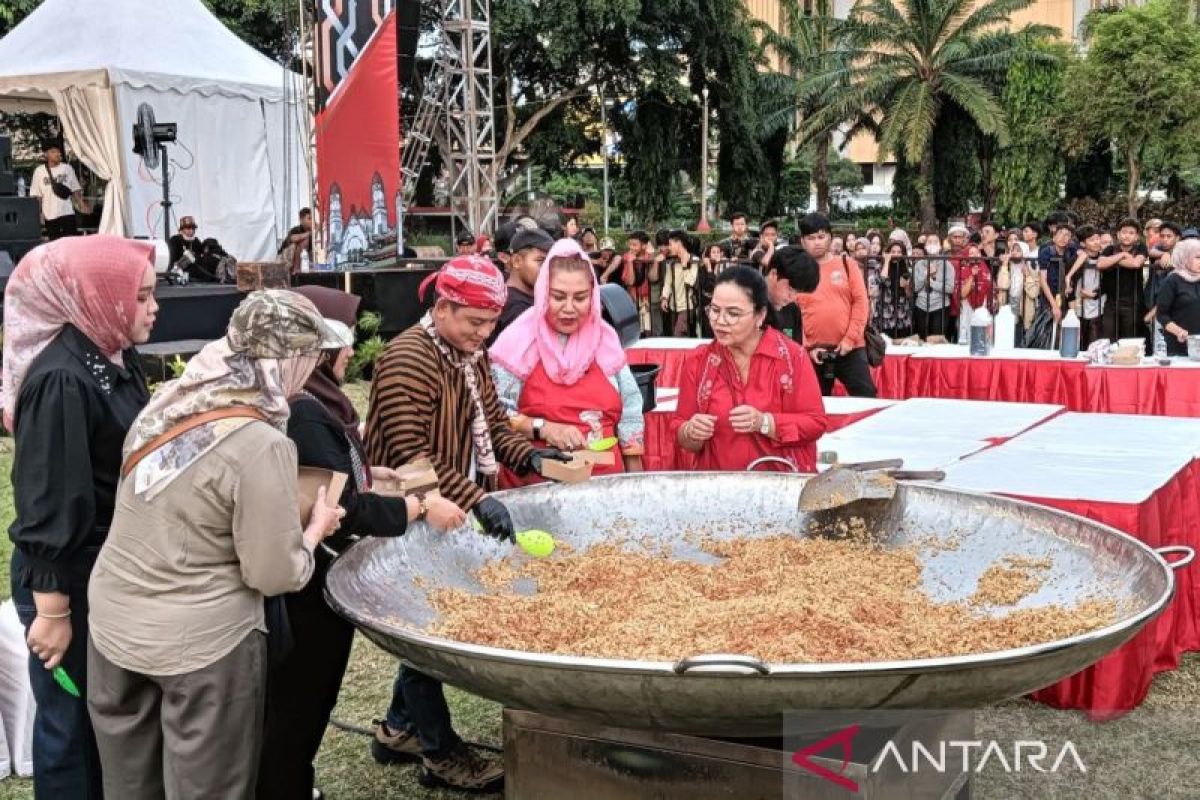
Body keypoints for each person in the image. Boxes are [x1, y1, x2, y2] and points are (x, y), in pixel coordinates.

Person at [86, 291, 347, 800]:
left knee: (129, 787)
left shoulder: (166, 404)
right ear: (288, 359)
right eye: (311, 357)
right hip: (202, 646)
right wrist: (315, 527)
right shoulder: (262, 442)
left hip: (114, 626)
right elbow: (273, 574)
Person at [365, 256, 567, 792]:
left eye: (490, 324)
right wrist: (477, 498)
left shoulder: (467, 353)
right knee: (430, 625)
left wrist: (536, 461)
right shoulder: (409, 358)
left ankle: (398, 728)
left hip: (447, 500)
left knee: (428, 619)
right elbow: (413, 453)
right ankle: (440, 753)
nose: (484, 334)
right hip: (407, 503)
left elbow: (495, 425)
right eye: (474, 322)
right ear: (443, 307)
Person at [257, 286, 467, 800]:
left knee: (305, 708)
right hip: (305, 594)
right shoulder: (305, 412)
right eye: (345, 340)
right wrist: (417, 506)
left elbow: (342, 477)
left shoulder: (321, 402)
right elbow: (343, 507)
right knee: (296, 710)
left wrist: (378, 474)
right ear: (319, 347)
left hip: (317, 580)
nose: (353, 351)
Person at [3, 236, 158, 799]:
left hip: (103, 573)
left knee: (101, 719)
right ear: (101, 297)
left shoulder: (110, 351)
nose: (153, 307)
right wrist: (53, 611)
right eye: (140, 296)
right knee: (69, 728)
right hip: (68, 585)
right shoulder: (64, 377)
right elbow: (48, 503)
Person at [491, 239, 645, 484]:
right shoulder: (518, 340)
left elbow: (631, 407)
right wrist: (544, 428)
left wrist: (635, 481)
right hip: (534, 486)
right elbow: (494, 416)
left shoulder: (605, 339)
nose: (569, 308)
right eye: (558, 297)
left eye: (581, 298)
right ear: (543, 294)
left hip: (604, 486)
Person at [672, 266, 827, 471]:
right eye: (715, 310)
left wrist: (765, 422)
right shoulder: (699, 361)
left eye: (733, 313)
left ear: (760, 315)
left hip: (779, 484)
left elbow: (815, 423)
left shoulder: (791, 358)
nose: (720, 321)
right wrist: (690, 431)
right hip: (720, 486)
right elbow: (681, 431)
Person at [796, 213, 877, 397]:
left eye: (821, 236)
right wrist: (807, 347)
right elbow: (794, 313)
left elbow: (861, 302)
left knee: (866, 397)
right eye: (810, 238)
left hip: (851, 348)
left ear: (830, 238)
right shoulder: (797, 271)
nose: (817, 242)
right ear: (802, 241)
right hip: (813, 353)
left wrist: (849, 340)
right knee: (814, 404)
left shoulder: (846, 264)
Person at [488, 226, 554, 345]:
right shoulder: (516, 309)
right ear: (517, 261)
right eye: (541, 261)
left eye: (551, 261)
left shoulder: (505, 296)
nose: (548, 268)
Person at [1097, 218, 1148, 342]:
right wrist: (1122, 255)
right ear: (1118, 234)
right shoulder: (1110, 249)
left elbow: (1136, 263)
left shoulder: (1140, 248)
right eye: (1124, 232)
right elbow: (1100, 264)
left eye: (1131, 233)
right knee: (1107, 338)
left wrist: (1114, 261)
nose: (1127, 235)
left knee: (1129, 339)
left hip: (1132, 302)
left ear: (1137, 236)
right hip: (1111, 301)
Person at [30, 142, 89, 240]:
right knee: (55, 244)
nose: (57, 154)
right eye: (53, 152)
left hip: (67, 212)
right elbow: (38, 195)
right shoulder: (39, 171)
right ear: (46, 155)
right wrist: (39, 213)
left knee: (71, 242)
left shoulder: (67, 168)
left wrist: (82, 205)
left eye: (58, 151)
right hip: (50, 215)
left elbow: (75, 189)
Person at [1155, 239, 1200, 357]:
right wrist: (1179, 331)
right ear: (1185, 257)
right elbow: (1161, 315)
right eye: (1197, 257)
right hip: (1179, 345)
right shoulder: (1172, 281)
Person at [766, 247, 820, 345]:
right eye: (790, 289)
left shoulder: (792, 310)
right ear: (773, 274)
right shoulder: (748, 307)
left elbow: (795, 351)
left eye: (797, 292)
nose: (792, 297)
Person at [1064, 226, 1105, 347]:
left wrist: (1095, 294)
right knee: (1081, 341)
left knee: (1095, 339)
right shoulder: (1076, 259)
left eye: (1098, 238)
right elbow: (1070, 283)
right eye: (1092, 240)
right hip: (1080, 305)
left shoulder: (1104, 257)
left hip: (1099, 304)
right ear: (1083, 243)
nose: (1096, 242)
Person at [912, 240, 955, 340]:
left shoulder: (947, 264)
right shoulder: (919, 264)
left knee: (937, 340)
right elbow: (916, 287)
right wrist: (926, 274)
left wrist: (932, 283)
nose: (932, 245)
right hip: (921, 306)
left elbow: (950, 288)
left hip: (940, 306)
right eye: (929, 243)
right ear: (925, 247)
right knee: (922, 339)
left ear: (940, 246)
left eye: (935, 242)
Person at [661, 230, 701, 337]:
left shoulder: (694, 260)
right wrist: (665, 297)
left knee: (678, 334)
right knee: (680, 334)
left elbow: (690, 281)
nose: (669, 247)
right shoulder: (672, 261)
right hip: (673, 305)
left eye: (670, 244)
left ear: (679, 243)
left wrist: (684, 266)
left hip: (687, 305)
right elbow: (668, 281)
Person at [619, 231, 655, 335]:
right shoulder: (627, 257)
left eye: (635, 245)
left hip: (648, 299)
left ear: (644, 245)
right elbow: (630, 281)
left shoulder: (650, 256)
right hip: (634, 299)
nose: (631, 248)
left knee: (649, 330)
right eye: (630, 244)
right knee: (636, 331)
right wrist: (630, 262)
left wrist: (652, 254)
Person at [879, 241, 913, 338]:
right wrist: (886, 261)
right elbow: (883, 279)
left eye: (899, 252)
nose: (896, 254)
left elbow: (909, 295)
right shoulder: (884, 267)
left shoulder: (907, 269)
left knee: (901, 339)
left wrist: (906, 287)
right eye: (893, 251)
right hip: (887, 311)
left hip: (902, 311)